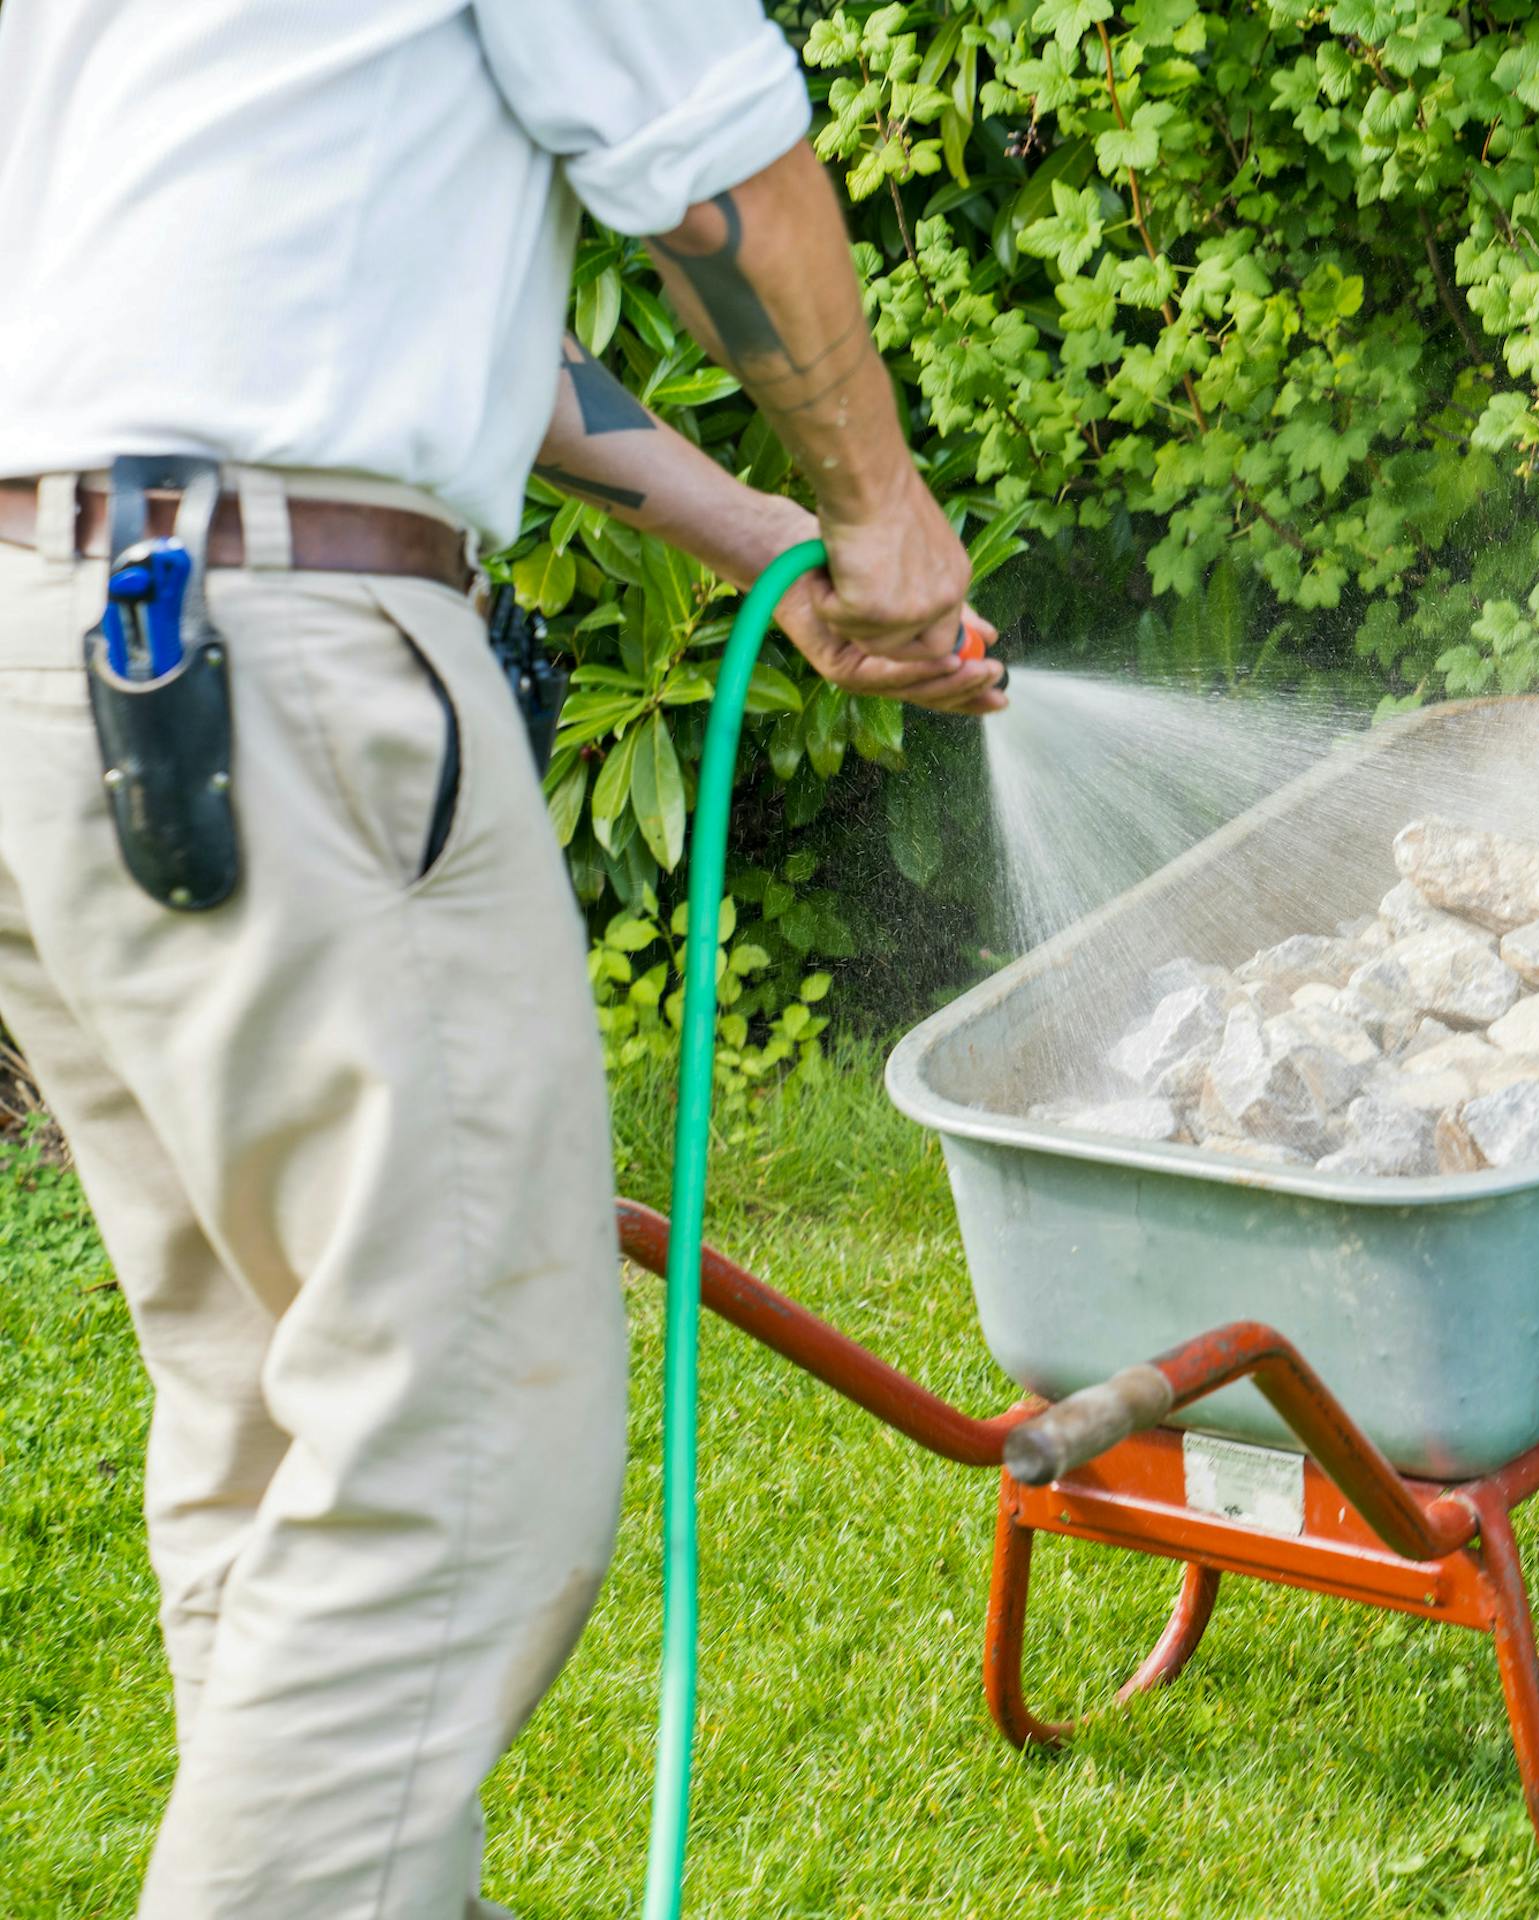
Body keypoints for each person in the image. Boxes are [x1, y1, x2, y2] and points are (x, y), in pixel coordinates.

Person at [0, 3, 1003, 1915]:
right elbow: (721, 179)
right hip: (261, 655)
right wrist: (879, 514)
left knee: (278, 1423)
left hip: (57, 650)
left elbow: (409, 308)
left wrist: (760, 538)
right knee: (462, 1456)